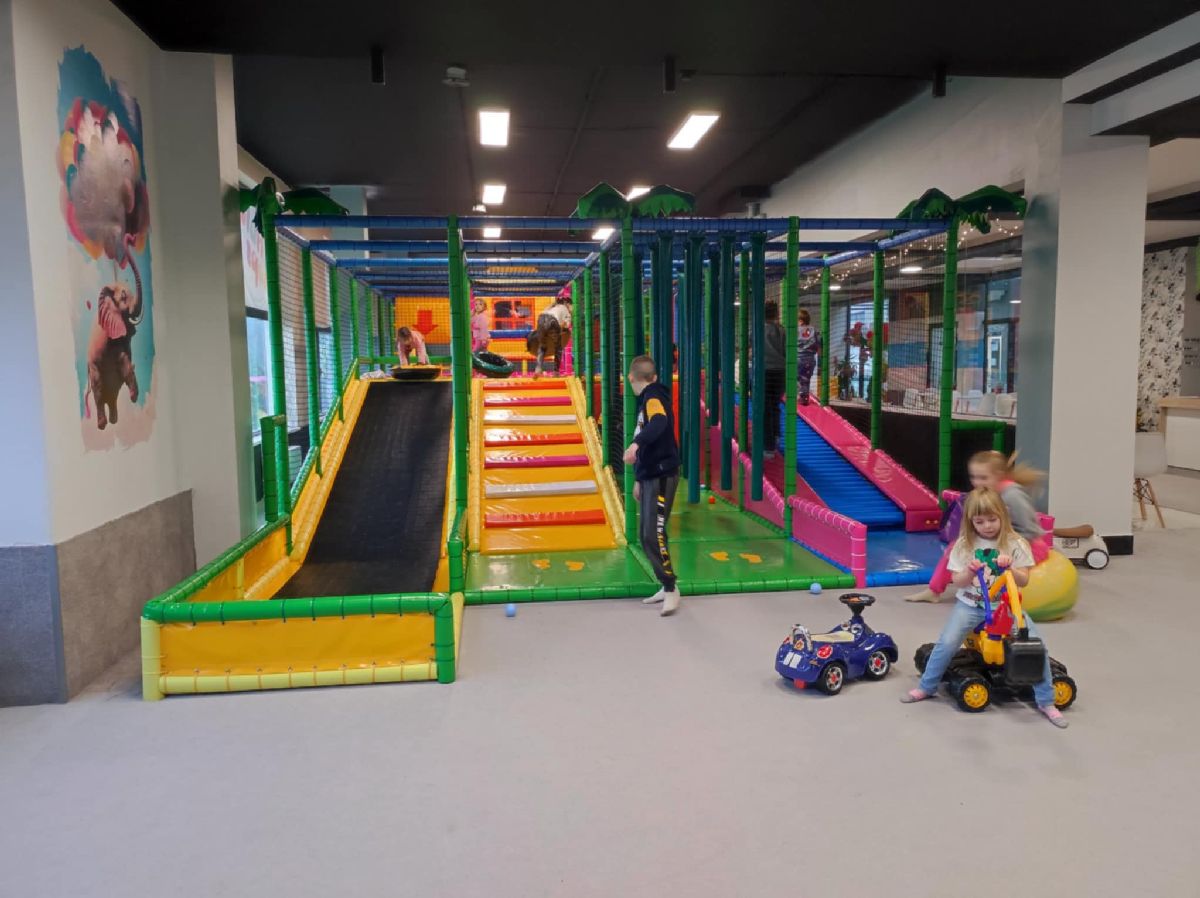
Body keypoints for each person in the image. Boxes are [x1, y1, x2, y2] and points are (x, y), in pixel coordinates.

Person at [899, 488, 1068, 728]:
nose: (987, 526)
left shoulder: (1015, 543)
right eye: (979, 521)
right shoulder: (963, 545)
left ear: (1003, 515)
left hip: (1007, 607)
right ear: (971, 521)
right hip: (970, 604)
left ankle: (1046, 701)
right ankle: (927, 686)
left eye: (992, 519)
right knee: (947, 642)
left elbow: (1023, 580)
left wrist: (1010, 568)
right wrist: (969, 571)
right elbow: (957, 581)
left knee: (1036, 645)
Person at [907, 450, 1048, 603]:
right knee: (957, 547)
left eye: (983, 478)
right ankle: (934, 590)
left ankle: (989, 596)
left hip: (1028, 546)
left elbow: (1030, 530)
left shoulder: (1012, 495)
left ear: (999, 475)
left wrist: (1000, 543)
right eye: (973, 477)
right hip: (1000, 541)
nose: (977, 482)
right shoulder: (985, 494)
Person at [622, 355, 682, 616]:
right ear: (654, 376)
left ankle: (671, 588)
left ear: (630, 378)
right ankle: (665, 583)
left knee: (652, 534)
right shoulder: (649, 398)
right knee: (649, 533)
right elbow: (651, 438)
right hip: (650, 475)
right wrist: (639, 478)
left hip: (662, 475)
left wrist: (635, 445)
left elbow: (659, 423)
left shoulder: (652, 396)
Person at [761, 300, 786, 459]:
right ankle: (776, 436)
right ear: (777, 313)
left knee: (765, 409)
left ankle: (768, 447)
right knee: (775, 405)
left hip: (764, 372)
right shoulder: (782, 330)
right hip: (780, 372)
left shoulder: (758, 329)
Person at [527, 296, 572, 376]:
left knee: (542, 347)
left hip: (541, 320)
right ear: (567, 304)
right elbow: (566, 325)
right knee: (558, 348)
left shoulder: (552, 307)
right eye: (571, 306)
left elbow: (543, 314)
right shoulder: (565, 309)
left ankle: (538, 369)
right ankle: (556, 372)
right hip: (552, 321)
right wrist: (560, 331)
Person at [796, 308, 821, 406]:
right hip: (810, 359)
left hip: (798, 358)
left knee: (796, 378)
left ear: (800, 321)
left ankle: (799, 395)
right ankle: (804, 397)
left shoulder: (796, 330)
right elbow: (818, 345)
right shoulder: (814, 330)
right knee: (806, 379)